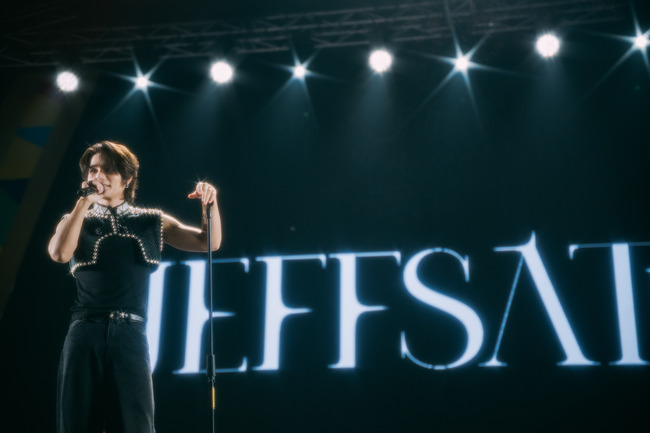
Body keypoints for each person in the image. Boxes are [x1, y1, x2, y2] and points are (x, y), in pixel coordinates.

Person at [48, 140, 222, 433]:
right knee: (76, 420)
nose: (98, 176)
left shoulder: (150, 221)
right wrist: (83, 203)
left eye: (108, 170)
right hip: (85, 332)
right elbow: (59, 253)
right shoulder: (76, 220)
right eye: (93, 170)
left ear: (127, 178)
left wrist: (210, 204)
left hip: (130, 333)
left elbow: (209, 242)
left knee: (136, 422)